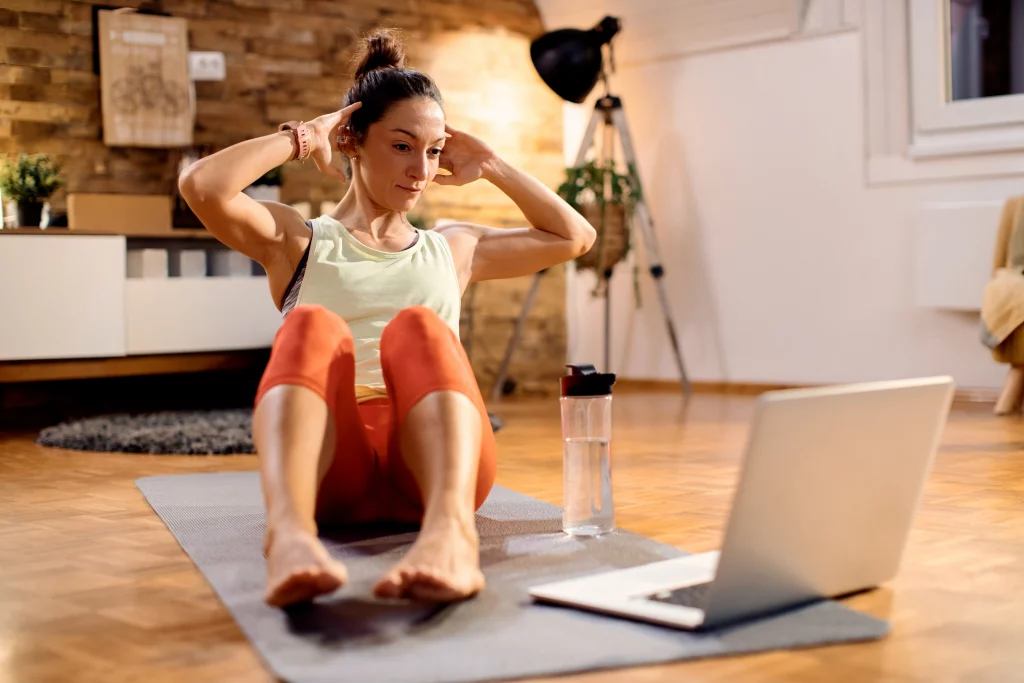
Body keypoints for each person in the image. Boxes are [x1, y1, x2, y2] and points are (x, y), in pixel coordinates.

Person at [177, 29, 595, 607]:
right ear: (352, 139)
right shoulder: (298, 240)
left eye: (434, 149)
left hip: (436, 466)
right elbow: (202, 186)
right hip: (331, 466)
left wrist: (493, 164)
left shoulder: (453, 246)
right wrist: (305, 136)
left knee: (419, 328)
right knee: (310, 325)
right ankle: (290, 536)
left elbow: (576, 237)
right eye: (402, 146)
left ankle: (451, 536)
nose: (421, 169)